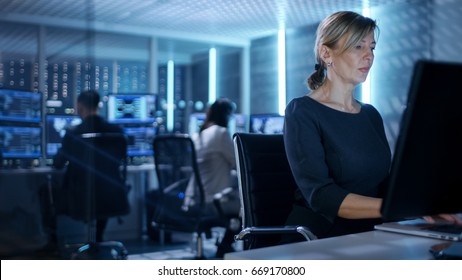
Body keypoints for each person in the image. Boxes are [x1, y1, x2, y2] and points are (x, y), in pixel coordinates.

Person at [52, 89, 124, 243]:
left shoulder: (74, 133)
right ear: (98, 106)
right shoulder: (116, 132)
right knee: (101, 196)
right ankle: (98, 238)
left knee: (46, 191)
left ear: (80, 106)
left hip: (81, 196)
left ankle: (52, 242)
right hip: (110, 194)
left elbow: (58, 164)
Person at [184, 98, 240, 258]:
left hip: (196, 200)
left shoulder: (199, 135)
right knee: (249, 208)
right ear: (227, 115)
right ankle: (225, 245)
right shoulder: (220, 133)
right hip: (214, 202)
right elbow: (238, 164)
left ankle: (224, 245)